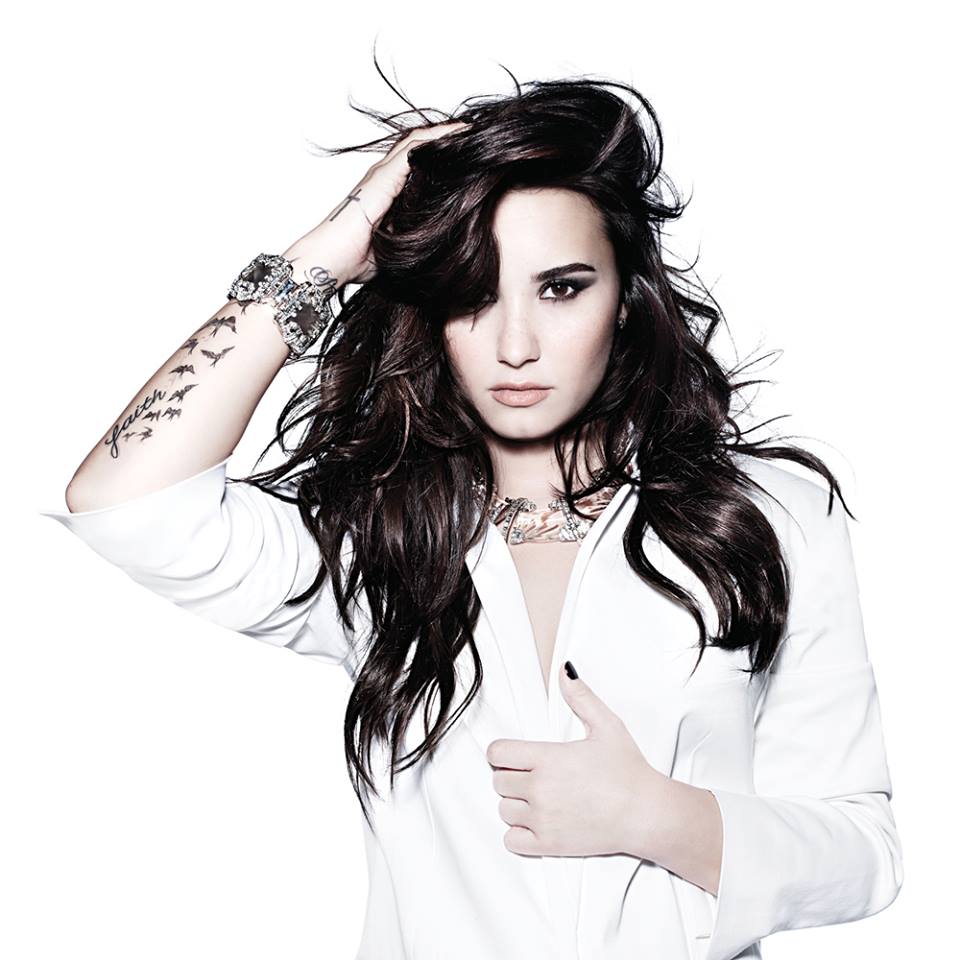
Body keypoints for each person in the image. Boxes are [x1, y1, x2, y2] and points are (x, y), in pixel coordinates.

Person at [39, 68, 903, 960]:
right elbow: (125, 501)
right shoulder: (381, 538)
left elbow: (864, 854)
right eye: (472, 295)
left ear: (626, 298)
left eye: (561, 288)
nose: (515, 345)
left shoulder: (766, 517)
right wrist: (331, 249)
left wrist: (657, 815)